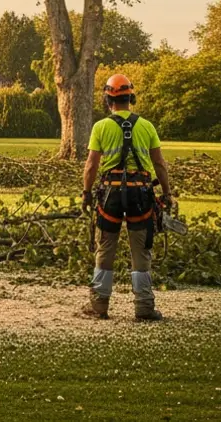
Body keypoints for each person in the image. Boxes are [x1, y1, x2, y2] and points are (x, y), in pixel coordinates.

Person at [80, 74, 175, 321]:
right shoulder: (147, 127)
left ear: (107, 99)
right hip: (140, 195)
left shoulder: (100, 127)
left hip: (109, 195)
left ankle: (99, 305)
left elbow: (91, 166)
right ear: (130, 97)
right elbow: (160, 165)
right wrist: (167, 194)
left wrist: (86, 193)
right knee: (141, 251)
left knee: (105, 248)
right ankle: (143, 306)